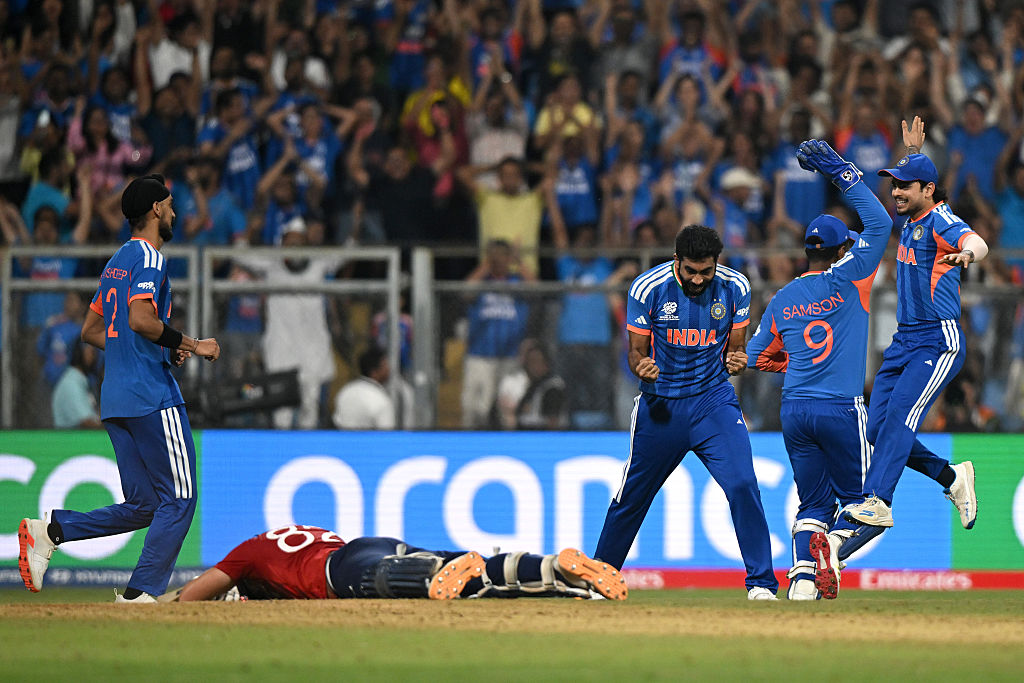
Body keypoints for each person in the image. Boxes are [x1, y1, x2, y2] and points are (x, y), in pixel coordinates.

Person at [17, 174, 221, 603]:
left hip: (116, 398)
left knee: (144, 505)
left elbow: (93, 331)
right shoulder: (149, 257)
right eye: (169, 204)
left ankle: (51, 531)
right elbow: (141, 321)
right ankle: (140, 596)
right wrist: (192, 344)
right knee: (181, 498)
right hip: (152, 396)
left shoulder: (116, 262)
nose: (174, 210)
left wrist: (158, 351)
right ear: (154, 211)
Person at [593, 225, 779, 600]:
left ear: (716, 264)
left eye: (705, 271)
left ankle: (761, 584)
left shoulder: (736, 287)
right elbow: (635, 351)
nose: (698, 279)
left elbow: (736, 348)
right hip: (660, 404)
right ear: (676, 260)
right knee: (632, 496)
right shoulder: (647, 288)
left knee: (743, 484)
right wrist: (640, 365)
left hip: (713, 401)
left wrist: (738, 358)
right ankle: (599, 579)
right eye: (690, 270)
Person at [744, 139, 893, 600]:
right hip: (842, 409)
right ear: (844, 248)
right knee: (870, 506)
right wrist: (841, 172)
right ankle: (830, 548)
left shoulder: (783, 297)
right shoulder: (852, 275)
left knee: (812, 502)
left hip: (796, 409)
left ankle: (803, 583)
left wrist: (789, 362)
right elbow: (882, 221)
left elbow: (754, 356)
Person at [842, 121, 987, 533]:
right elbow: (919, 183)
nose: (897, 192)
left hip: (937, 341)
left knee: (902, 417)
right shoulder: (910, 218)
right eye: (895, 185)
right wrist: (913, 154)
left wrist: (968, 256)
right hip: (905, 340)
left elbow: (976, 241)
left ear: (928, 190)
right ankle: (951, 477)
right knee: (878, 430)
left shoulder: (941, 220)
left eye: (906, 185)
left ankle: (878, 500)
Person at [170, 525, 625, 602]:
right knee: (479, 569)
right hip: (369, 543)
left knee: (380, 581)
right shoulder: (298, 536)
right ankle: (554, 569)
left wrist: (167, 600)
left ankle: (428, 578)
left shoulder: (246, 554)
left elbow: (194, 594)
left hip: (340, 572)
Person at [332, 346, 397, 430]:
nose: (389, 370)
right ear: (374, 373)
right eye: (385, 366)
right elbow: (386, 436)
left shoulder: (346, 390)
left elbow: (337, 422)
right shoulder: (380, 399)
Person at [51, 342, 102, 429]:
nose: (94, 358)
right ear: (79, 353)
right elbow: (87, 422)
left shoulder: (82, 380)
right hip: (69, 439)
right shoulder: (71, 383)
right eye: (91, 353)